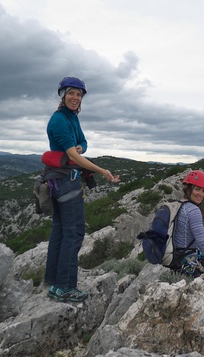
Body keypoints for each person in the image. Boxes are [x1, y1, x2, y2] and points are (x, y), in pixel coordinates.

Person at [44, 76, 120, 302]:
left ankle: (53, 280)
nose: (75, 97)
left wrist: (80, 146)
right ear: (62, 95)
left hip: (62, 180)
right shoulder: (59, 120)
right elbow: (73, 156)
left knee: (60, 229)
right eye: (71, 93)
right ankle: (65, 286)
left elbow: (83, 144)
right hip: (66, 181)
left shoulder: (71, 118)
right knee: (74, 231)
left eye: (79, 94)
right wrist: (102, 171)